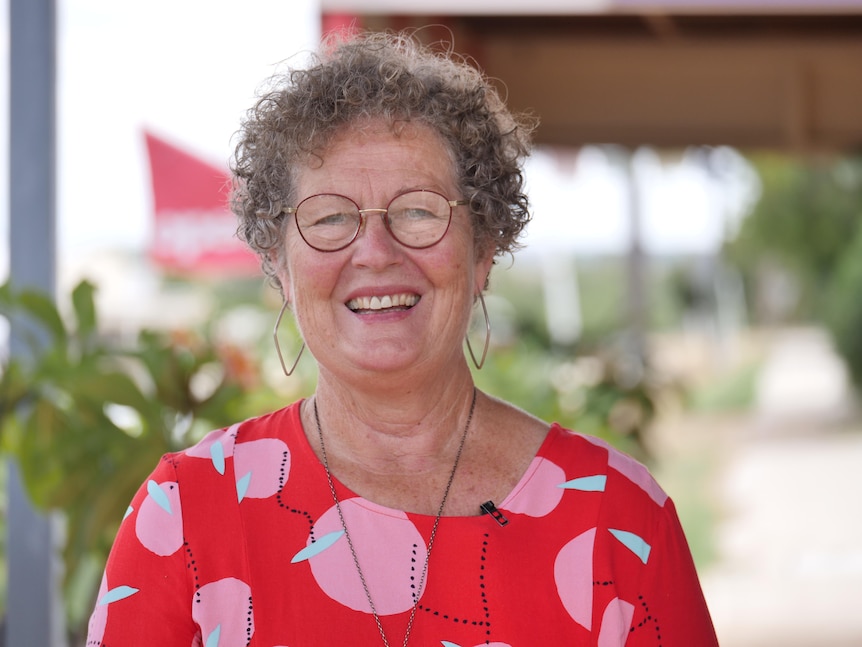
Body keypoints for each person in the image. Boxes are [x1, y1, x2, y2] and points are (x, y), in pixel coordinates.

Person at [86, 30, 718, 647]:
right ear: (279, 263)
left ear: (484, 250)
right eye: (330, 217)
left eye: (418, 210)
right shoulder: (187, 515)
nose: (376, 252)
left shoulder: (619, 520)